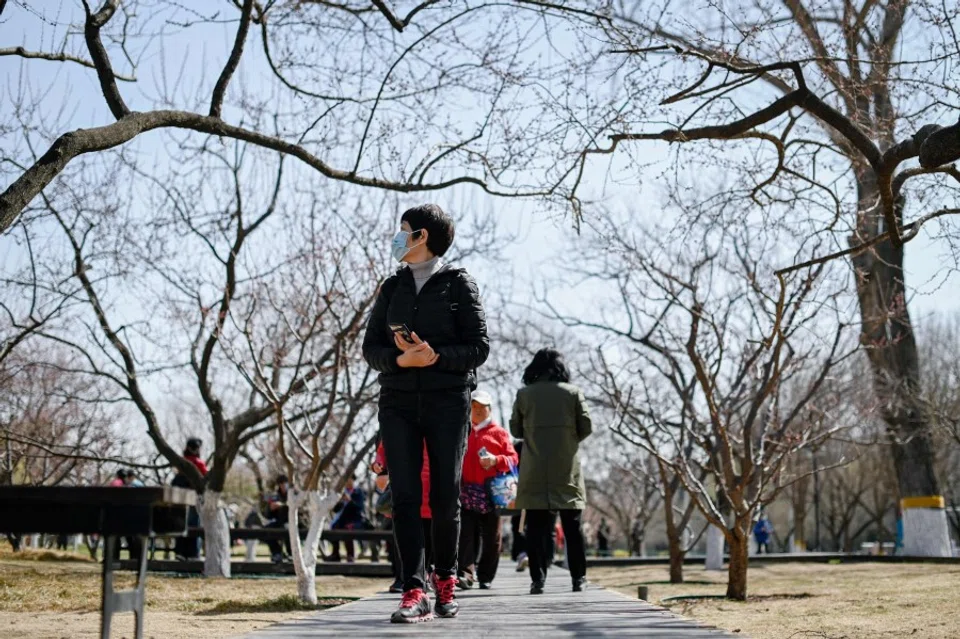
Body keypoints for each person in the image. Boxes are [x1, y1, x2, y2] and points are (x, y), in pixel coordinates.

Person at [362, 203, 489, 623]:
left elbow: (478, 348)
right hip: (397, 400)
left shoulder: (458, 285)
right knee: (404, 496)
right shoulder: (391, 287)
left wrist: (434, 357)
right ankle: (413, 589)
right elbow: (371, 349)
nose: (396, 237)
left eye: (403, 230)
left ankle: (446, 579)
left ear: (421, 237)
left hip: (448, 400)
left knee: (444, 495)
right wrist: (401, 362)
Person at [510, 348, 592, 595]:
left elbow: (515, 429)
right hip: (567, 469)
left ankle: (538, 580)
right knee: (572, 526)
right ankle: (578, 578)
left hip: (535, 468)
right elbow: (586, 426)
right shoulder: (573, 393)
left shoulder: (524, 395)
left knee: (536, 528)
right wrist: (567, 439)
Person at [457, 389, 518, 590]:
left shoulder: (499, 433)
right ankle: (466, 573)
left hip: (493, 492)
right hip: (466, 490)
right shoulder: (462, 429)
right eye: (473, 406)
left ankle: (486, 576)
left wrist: (495, 460)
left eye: (481, 407)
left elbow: (513, 459)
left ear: (489, 409)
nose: (477, 411)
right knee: (465, 534)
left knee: (492, 537)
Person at [373, 441, 434, 594]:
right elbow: (383, 449)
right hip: (403, 488)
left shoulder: (439, 421)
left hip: (432, 490)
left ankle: (425, 574)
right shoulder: (396, 420)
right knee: (403, 538)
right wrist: (379, 466)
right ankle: (405, 579)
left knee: (428, 538)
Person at [172, 438, 206, 561]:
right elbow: (205, 478)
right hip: (193, 497)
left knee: (181, 523)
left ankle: (180, 551)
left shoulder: (181, 462)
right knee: (194, 524)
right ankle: (193, 553)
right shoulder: (198, 463)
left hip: (179, 497)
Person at [329, 475, 369, 562]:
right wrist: (340, 501)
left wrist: (349, 500)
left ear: (353, 480)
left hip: (355, 520)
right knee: (333, 529)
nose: (347, 482)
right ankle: (335, 554)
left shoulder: (358, 492)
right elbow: (335, 510)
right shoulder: (342, 493)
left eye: (349, 479)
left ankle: (350, 555)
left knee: (347, 530)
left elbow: (359, 507)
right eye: (346, 480)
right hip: (342, 520)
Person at [510, 441, 528, 572]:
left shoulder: (517, 447)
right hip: (536, 491)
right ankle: (525, 554)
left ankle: (522, 554)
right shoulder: (540, 443)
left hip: (519, 490)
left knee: (519, 525)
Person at [265, 474, 292, 563]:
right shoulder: (275, 496)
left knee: (288, 530)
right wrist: (271, 509)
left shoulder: (293, 494)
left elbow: (299, 508)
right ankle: (277, 553)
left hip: (293, 522)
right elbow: (268, 515)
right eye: (281, 484)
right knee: (266, 531)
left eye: (284, 484)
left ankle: (291, 554)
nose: (283, 486)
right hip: (279, 522)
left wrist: (283, 505)